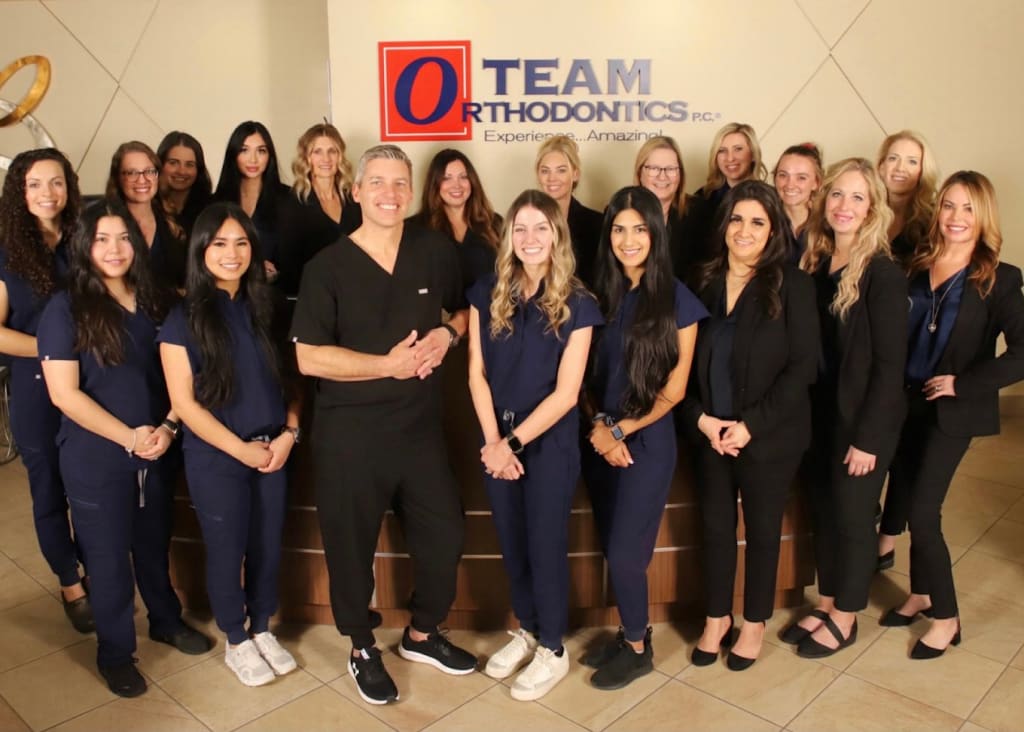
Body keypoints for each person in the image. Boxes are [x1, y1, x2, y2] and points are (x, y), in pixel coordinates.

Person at [290, 144, 476, 706]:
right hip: (350, 433)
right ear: (357, 191)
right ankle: (361, 646)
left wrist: (447, 334)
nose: (389, 194)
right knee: (350, 548)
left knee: (445, 532)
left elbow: (465, 308)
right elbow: (309, 358)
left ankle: (422, 634)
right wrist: (385, 366)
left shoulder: (433, 251)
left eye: (399, 184)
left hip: (418, 428)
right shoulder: (326, 267)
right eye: (377, 183)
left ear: (411, 190)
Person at [38, 199, 211, 698]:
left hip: (159, 446)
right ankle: (115, 653)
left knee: (154, 544)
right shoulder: (65, 308)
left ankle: (165, 621)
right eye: (101, 239)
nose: (114, 249)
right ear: (83, 246)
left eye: (123, 238)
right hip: (98, 456)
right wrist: (130, 437)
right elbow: (64, 394)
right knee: (108, 558)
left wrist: (169, 427)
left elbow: (186, 375)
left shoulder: (157, 301)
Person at [878, 171, 1024, 658]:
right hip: (907, 403)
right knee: (907, 498)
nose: (956, 217)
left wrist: (965, 383)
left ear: (984, 216)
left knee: (924, 512)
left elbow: (1022, 352)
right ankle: (920, 593)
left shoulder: (1001, 278)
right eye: (948, 205)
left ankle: (946, 617)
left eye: (968, 208)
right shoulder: (915, 264)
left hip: (953, 411)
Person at [467, 189, 602, 700]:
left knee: (545, 545)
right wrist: (493, 442)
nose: (530, 238)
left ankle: (553, 647)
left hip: (548, 444)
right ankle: (526, 629)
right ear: (508, 238)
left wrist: (513, 444)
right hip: (496, 441)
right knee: (512, 541)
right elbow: (477, 374)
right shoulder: (486, 292)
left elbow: (567, 395)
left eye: (540, 228)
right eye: (520, 229)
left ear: (556, 235)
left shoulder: (580, 303)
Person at [159, 202, 300, 685]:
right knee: (226, 548)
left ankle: (261, 628)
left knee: (267, 547)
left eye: (241, 243)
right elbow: (185, 403)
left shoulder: (269, 308)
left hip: (273, 451)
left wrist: (289, 435)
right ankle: (236, 640)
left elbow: (293, 383)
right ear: (201, 250)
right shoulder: (181, 317)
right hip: (217, 457)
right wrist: (240, 450)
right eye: (219, 243)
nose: (232, 253)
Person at [681, 181, 818, 671]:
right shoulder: (701, 280)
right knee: (716, 529)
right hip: (710, 433)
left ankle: (754, 621)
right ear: (724, 226)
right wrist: (701, 420)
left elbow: (803, 367)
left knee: (762, 531)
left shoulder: (793, 285)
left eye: (758, 222)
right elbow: (678, 363)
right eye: (737, 219)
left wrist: (749, 426)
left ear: (773, 230)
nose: (745, 230)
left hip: (768, 435)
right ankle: (717, 618)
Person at [780, 158, 908, 658]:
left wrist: (869, 439)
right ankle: (829, 601)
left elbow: (890, 368)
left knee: (854, 520)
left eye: (857, 197)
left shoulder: (882, 274)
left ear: (872, 207)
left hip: (862, 421)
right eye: (837, 194)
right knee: (825, 513)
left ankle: (847, 616)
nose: (844, 205)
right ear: (823, 199)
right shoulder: (816, 262)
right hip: (818, 416)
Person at [581, 186, 703, 688]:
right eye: (618, 229)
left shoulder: (679, 299)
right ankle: (628, 632)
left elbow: (676, 389)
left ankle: (637, 647)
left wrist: (620, 431)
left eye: (639, 229)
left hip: (646, 443)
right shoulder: (598, 294)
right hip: (599, 439)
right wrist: (599, 426)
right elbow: (582, 374)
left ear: (656, 233)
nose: (628, 240)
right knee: (613, 547)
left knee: (628, 556)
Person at [0, 148, 91, 632]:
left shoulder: (84, 239)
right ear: (19, 191)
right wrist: (52, 350)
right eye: (34, 184)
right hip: (36, 385)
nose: (47, 193)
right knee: (50, 487)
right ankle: (70, 581)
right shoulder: (6, 250)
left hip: (91, 381)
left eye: (56, 182)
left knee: (90, 482)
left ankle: (97, 567)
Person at [277, 123, 362, 295]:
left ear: (340, 156)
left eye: (332, 151)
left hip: (354, 293)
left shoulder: (353, 199)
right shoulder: (293, 203)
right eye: (317, 152)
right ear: (306, 158)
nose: (326, 159)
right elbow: (288, 264)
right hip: (312, 295)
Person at [410, 148, 501, 292]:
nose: (457, 185)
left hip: (488, 306)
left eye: (463, 177)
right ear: (435, 183)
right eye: (447, 178)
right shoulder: (415, 228)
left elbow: (508, 276)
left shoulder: (494, 223)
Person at [688, 123, 769, 279]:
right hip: (709, 279)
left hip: (758, 278)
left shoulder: (769, 198)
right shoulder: (703, 197)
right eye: (722, 151)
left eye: (738, 149)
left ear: (752, 154)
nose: (730, 158)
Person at [215, 121, 289, 283]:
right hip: (226, 289)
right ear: (233, 155)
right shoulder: (216, 202)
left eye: (261, 151)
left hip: (275, 290)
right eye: (244, 150)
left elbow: (297, 256)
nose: (253, 159)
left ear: (269, 156)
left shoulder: (288, 199)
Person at [107, 141, 187, 290]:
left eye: (149, 171)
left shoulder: (170, 222)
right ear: (118, 178)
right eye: (132, 173)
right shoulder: (105, 224)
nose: (142, 180)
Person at [535, 135, 602, 288]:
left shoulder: (597, 224)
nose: (552, 178)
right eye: (545, 171)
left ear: (575, 174)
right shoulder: (524, 223)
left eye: (561, 170)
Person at [633, 136, 697, 282]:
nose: (662, 176)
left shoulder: (700, 213)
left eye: (670, 169)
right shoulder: (621, 211)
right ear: (640, 172)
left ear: (680, 174)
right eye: (654, 168)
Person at [875, 130, 938, 269]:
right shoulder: (863, 213)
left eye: (912, 161)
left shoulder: (934, 223)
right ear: (881, 167)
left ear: (923, 171)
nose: (900, 168)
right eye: (893, 158)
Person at [772, 143, 824, 263]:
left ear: (816, 183)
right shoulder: (765, 221)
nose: (790, 185)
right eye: (783, 175)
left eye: (801, 177)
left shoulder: (827, 225)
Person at [157, 131, 213, 239]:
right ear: (160, 164)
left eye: (189, 165)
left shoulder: (210, 210)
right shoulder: (147, 206)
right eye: (173, 163)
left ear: (198, 170)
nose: (181, 171)